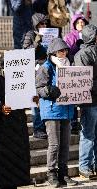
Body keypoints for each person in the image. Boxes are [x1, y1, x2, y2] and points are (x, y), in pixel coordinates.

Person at [36, 38, 78, 187]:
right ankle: (51, 174)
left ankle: (63, 174)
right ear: (53, 52)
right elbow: (38, 88)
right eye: (61, 50)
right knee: (54, 145)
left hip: (66, 109)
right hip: (52, 110)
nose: (64, 52)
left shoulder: (69, 65)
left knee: (65, 145)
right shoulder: (46, 67)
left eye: (65, 50)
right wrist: (48, 90)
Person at [0, 59, 31, 189]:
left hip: (19, 127)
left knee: (19, 162)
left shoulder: (23, 81)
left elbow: (28, 99)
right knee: (5, 163)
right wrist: (0, 108)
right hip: (4, 129)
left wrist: (34, 99)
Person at [73, 24, 97, 179]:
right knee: (88, 134)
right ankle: (84, 166)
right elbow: (84, 81)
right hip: (89, 102)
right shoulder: (82, 54)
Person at [23, 12, 48, 139]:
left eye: (45, 23)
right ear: (35, 24)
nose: (44, 25)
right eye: (41, 23)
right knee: (35, 101)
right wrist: (37, 42)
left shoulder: (49, 34)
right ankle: (38, 128)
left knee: (44, 99)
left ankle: (44, 127)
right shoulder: (30, 34)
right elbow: (25, 52)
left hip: (46, 71)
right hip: (34, 72)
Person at [64, 13, 88, 134]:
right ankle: (73, 122)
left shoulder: (89, 35)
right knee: (73, 98)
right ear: (74, 24)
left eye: (83, 22)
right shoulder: (69, 37)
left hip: (86, 70)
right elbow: (66, 51)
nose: (81, 24)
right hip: (74, 69)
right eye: (79, 22)